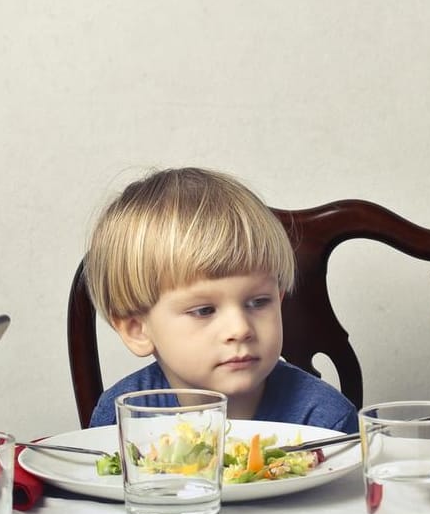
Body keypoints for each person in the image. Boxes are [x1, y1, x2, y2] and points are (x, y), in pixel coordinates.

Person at [84, 167, 358, 433]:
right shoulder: (122, 419)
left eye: (259, 302)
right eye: (204, 310)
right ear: (137, 330)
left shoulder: (324, 421)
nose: (240, 329)